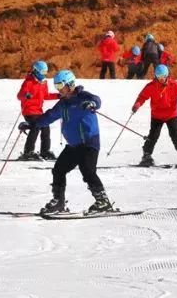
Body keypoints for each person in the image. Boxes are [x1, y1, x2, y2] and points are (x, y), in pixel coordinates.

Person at [20, 70, 114, 215]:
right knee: (58, 170)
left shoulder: (83, 97)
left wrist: (91, 103)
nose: (58, 89)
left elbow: (97, 100)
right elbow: (49, 116)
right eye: (56, 86)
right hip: (73, 145)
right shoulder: (62, 103)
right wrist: (32, 125)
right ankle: (59, 202)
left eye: (60, 85)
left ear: (69, 84)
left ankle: (103, 202)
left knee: (87, 170)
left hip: (88, 142)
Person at [132, 64, 177, 167]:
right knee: (153, 135)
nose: (161, 79)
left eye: (163, 76)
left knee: (175, 133)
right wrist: (137, 105)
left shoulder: (174, 85)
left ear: (167, 75)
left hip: (171, 114)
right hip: (157, 115)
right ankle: (147, 155)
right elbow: (142, 97)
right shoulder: (151, 86)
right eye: (159, 77)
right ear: (155, 76)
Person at [17, 60, 59, 161]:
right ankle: (28, 152)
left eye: (45, 72)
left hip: (38, 111)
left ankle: (45, 152)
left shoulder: (44, 82)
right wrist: (26, 95)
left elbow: (46, 96)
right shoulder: (29, 81)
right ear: (36, 71)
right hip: (29, 111)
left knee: (45, 126)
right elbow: (19, 95)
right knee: (36, 126)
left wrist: (58, 95)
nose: (44, 74)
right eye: (42, 72)